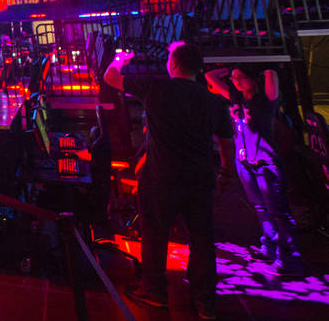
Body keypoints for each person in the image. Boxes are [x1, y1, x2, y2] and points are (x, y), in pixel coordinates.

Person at [103, 42, 233, 319]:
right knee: (202, 237)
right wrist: (227, 172)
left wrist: (120, 60)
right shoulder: (213, 101)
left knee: (155, 234)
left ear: (173, 64)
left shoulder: (156, 88)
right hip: (200, 178)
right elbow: (226, 142)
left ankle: (155, 293)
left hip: (161, 177)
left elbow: (110, 78)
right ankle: (205, 302)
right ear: (198, 69)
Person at [205, 66, 304, 276]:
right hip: (244, 162)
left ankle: (290, 258)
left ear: (253, 78)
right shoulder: (236, 98)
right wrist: (230, 69)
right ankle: (269, 247)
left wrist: (256, 65)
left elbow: (271, 73)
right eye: (234, 78)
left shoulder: (266, 99)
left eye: (241, 77)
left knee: (278, 211)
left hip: (266, 163)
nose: (236, 81)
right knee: (260, 207)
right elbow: (209, 76)